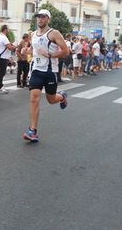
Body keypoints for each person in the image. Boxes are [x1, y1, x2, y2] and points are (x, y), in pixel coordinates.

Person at [23, 9, 69, 142]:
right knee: (34, 98)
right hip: (36, 70)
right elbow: (34, 49)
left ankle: (61, 97)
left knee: (51, 99)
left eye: (43, 17)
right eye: (38, 17)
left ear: (48, 19)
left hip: (50, 71)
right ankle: (33, 131)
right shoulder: (33, 34)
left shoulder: (54, 33)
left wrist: (50, 55)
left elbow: (66, 51)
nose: (40, 19)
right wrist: (28, 51)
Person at [0, 25, 16, 94]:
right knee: (2, 73)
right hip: (3, 58)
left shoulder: (0, 36)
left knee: (1, 73)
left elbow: (8, 46)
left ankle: (0, 87)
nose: (8, 30)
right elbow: (10, 47)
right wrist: (15, 46)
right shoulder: (4, 37)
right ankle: (0, 87)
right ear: (5, 29)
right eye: (8, 29)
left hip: (1, 57)